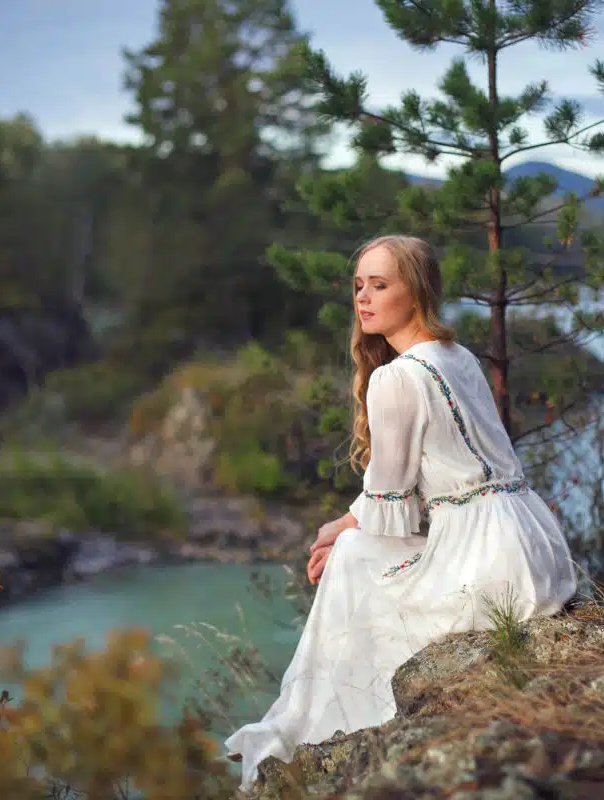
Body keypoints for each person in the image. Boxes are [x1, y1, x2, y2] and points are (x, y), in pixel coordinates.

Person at [223, 234, 577, 790]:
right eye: (359, 285)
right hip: (535, 544)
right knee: (357, 549)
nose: (363, 298)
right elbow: (416, 500)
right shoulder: (457, 357)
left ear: (415, 293)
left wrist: (336, 527)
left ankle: (322, 727)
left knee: (349, 554)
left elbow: (389, 502)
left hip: (488, 561)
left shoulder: (398, 376)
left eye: (380, 285)